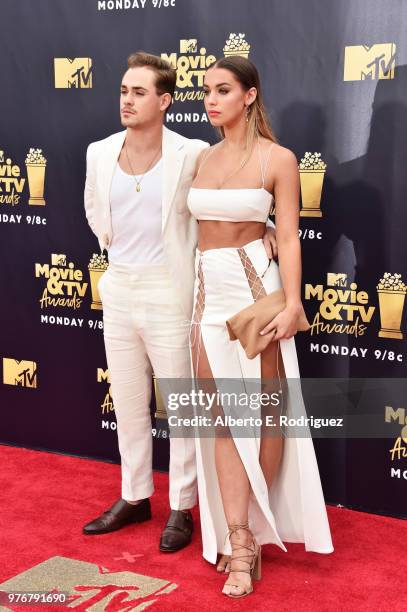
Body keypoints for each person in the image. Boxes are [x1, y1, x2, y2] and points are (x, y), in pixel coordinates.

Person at [83, 51, 277, 552]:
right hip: (119, 287)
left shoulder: (190, 152)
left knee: (182, 407)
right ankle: (134, 494)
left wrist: (269, 228)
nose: (127, 100)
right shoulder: (99, 152)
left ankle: (181, 506)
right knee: (127, 401)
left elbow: (232, 188)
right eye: (124, 91)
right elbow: (93, 209)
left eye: (140, 92)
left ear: (165, 100)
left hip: (172, 291)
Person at [187, 55, 333, 598]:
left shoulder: (279, 158)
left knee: (266, 417)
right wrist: (264, 224)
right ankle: (240, 537)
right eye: (206, 90)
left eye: (223, 90)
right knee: (223, 421)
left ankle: (257, 520)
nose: (211, 99)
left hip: (255, 296)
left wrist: (293, 303)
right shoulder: (199, 158)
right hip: (205, 300)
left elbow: (292, 236)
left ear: (249, 95)